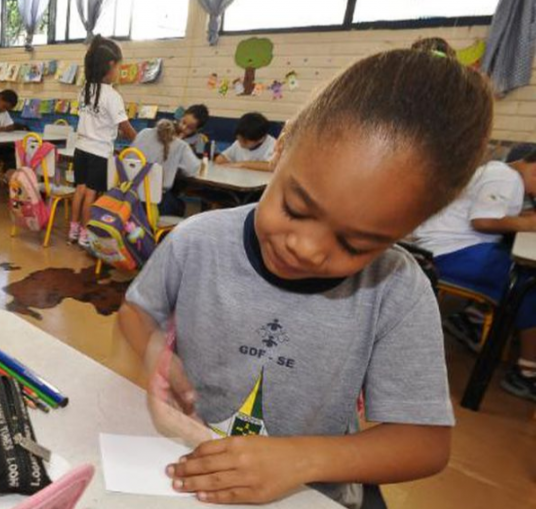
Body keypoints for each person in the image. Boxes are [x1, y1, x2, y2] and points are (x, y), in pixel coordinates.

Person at [118, 48, 492, 507]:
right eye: (296, 209)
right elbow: (135, 311)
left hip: (310, 492)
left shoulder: (397, 288)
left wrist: (299, 461)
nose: (308, 249)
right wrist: (156, 351)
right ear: (283, 146)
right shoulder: (196, 240)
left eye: (356, 245)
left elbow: (426, 445)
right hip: (187, 471)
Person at [413, 153, 536, 402]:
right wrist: (529, 224)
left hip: (450, 248)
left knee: (510, 261)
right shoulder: (505, 177)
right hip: (448, 253)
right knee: (527, 282)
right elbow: (484, 221)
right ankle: (527, 371)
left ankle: (472, 320)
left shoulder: (505, 174)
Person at [69, 36, 137, 248]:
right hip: (99, 153)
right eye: (119, 66)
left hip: (80, 149)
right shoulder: (112, 95)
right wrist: (140, 141)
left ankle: (73, 231)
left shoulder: (85, 90)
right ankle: (86, 234)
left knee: (80, 190)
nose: (119, 71)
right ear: (110, 65)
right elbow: (126, 128)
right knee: (91, 193)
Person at [132, 119, 199, 217]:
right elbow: (192, 170)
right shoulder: (180, 145)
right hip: (156, 204)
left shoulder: (143, 133)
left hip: (130, 197)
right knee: (180, 205)